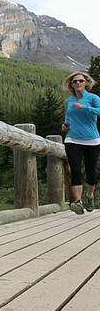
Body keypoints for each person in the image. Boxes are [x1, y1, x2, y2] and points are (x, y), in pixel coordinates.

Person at [62, 71, 100, 214]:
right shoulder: (69, 101)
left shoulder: (92, 98)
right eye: (75, 81)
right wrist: (66, 124)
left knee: (91, 172)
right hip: (73, 139)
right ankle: (78, 201)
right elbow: (69, 115)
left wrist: (86, 107)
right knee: (75, 170)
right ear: (71, 85)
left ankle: (89, 196)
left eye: (81, 81)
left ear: (86, 83)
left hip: (92, 140)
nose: (78, 83)